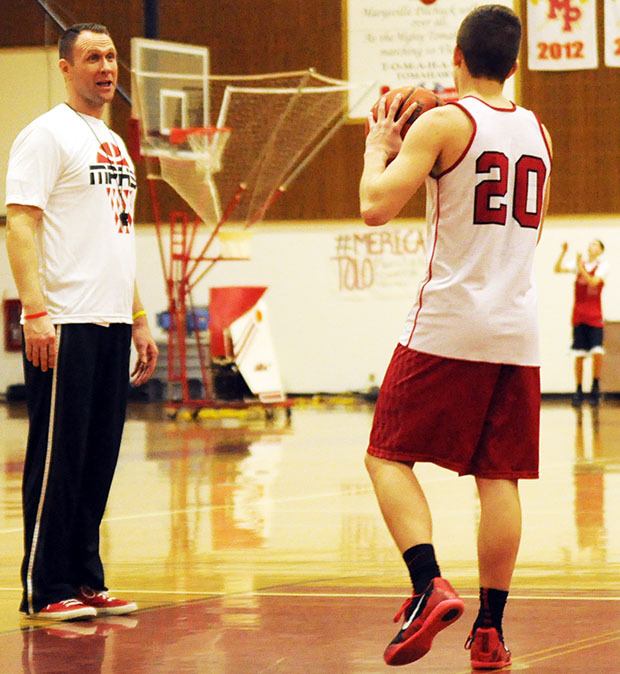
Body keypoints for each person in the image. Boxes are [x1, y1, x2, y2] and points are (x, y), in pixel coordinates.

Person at [360, 5, 551, 669]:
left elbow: (374, 207)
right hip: (517, 327)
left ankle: (426, 586)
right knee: (499, 479)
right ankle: (492, 631)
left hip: (449, 319)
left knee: (385, 456)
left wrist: (376, 149)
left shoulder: (444, 121)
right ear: (514, 63)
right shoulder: (538, 130)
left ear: (457, 56)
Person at [5, 23, 158, 621]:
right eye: (93, 56)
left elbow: (116, 239)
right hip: (63, 321)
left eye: (112, 56)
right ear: (65, 66)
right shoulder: (45, 135)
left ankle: (85, 579)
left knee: (98, 457)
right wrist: (35, 312)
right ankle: (44, 589)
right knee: (57, 460)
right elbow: (20, 223)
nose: (106, 66)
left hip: (112, 321)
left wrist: (140, 318)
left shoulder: (113, 143)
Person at [554, 240, 608, 406]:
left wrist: (580, 267)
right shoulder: (579, 264)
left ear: (600, 250)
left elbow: (593, 282)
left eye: (595, 245)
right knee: (579, 355)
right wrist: (563, 252)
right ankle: (578, 389)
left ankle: (595, 386)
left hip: (595, 316)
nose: (592, 247)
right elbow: (557, 269)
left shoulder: (603, 266)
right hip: (579, 316)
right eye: (590, 244)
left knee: (597, 352)